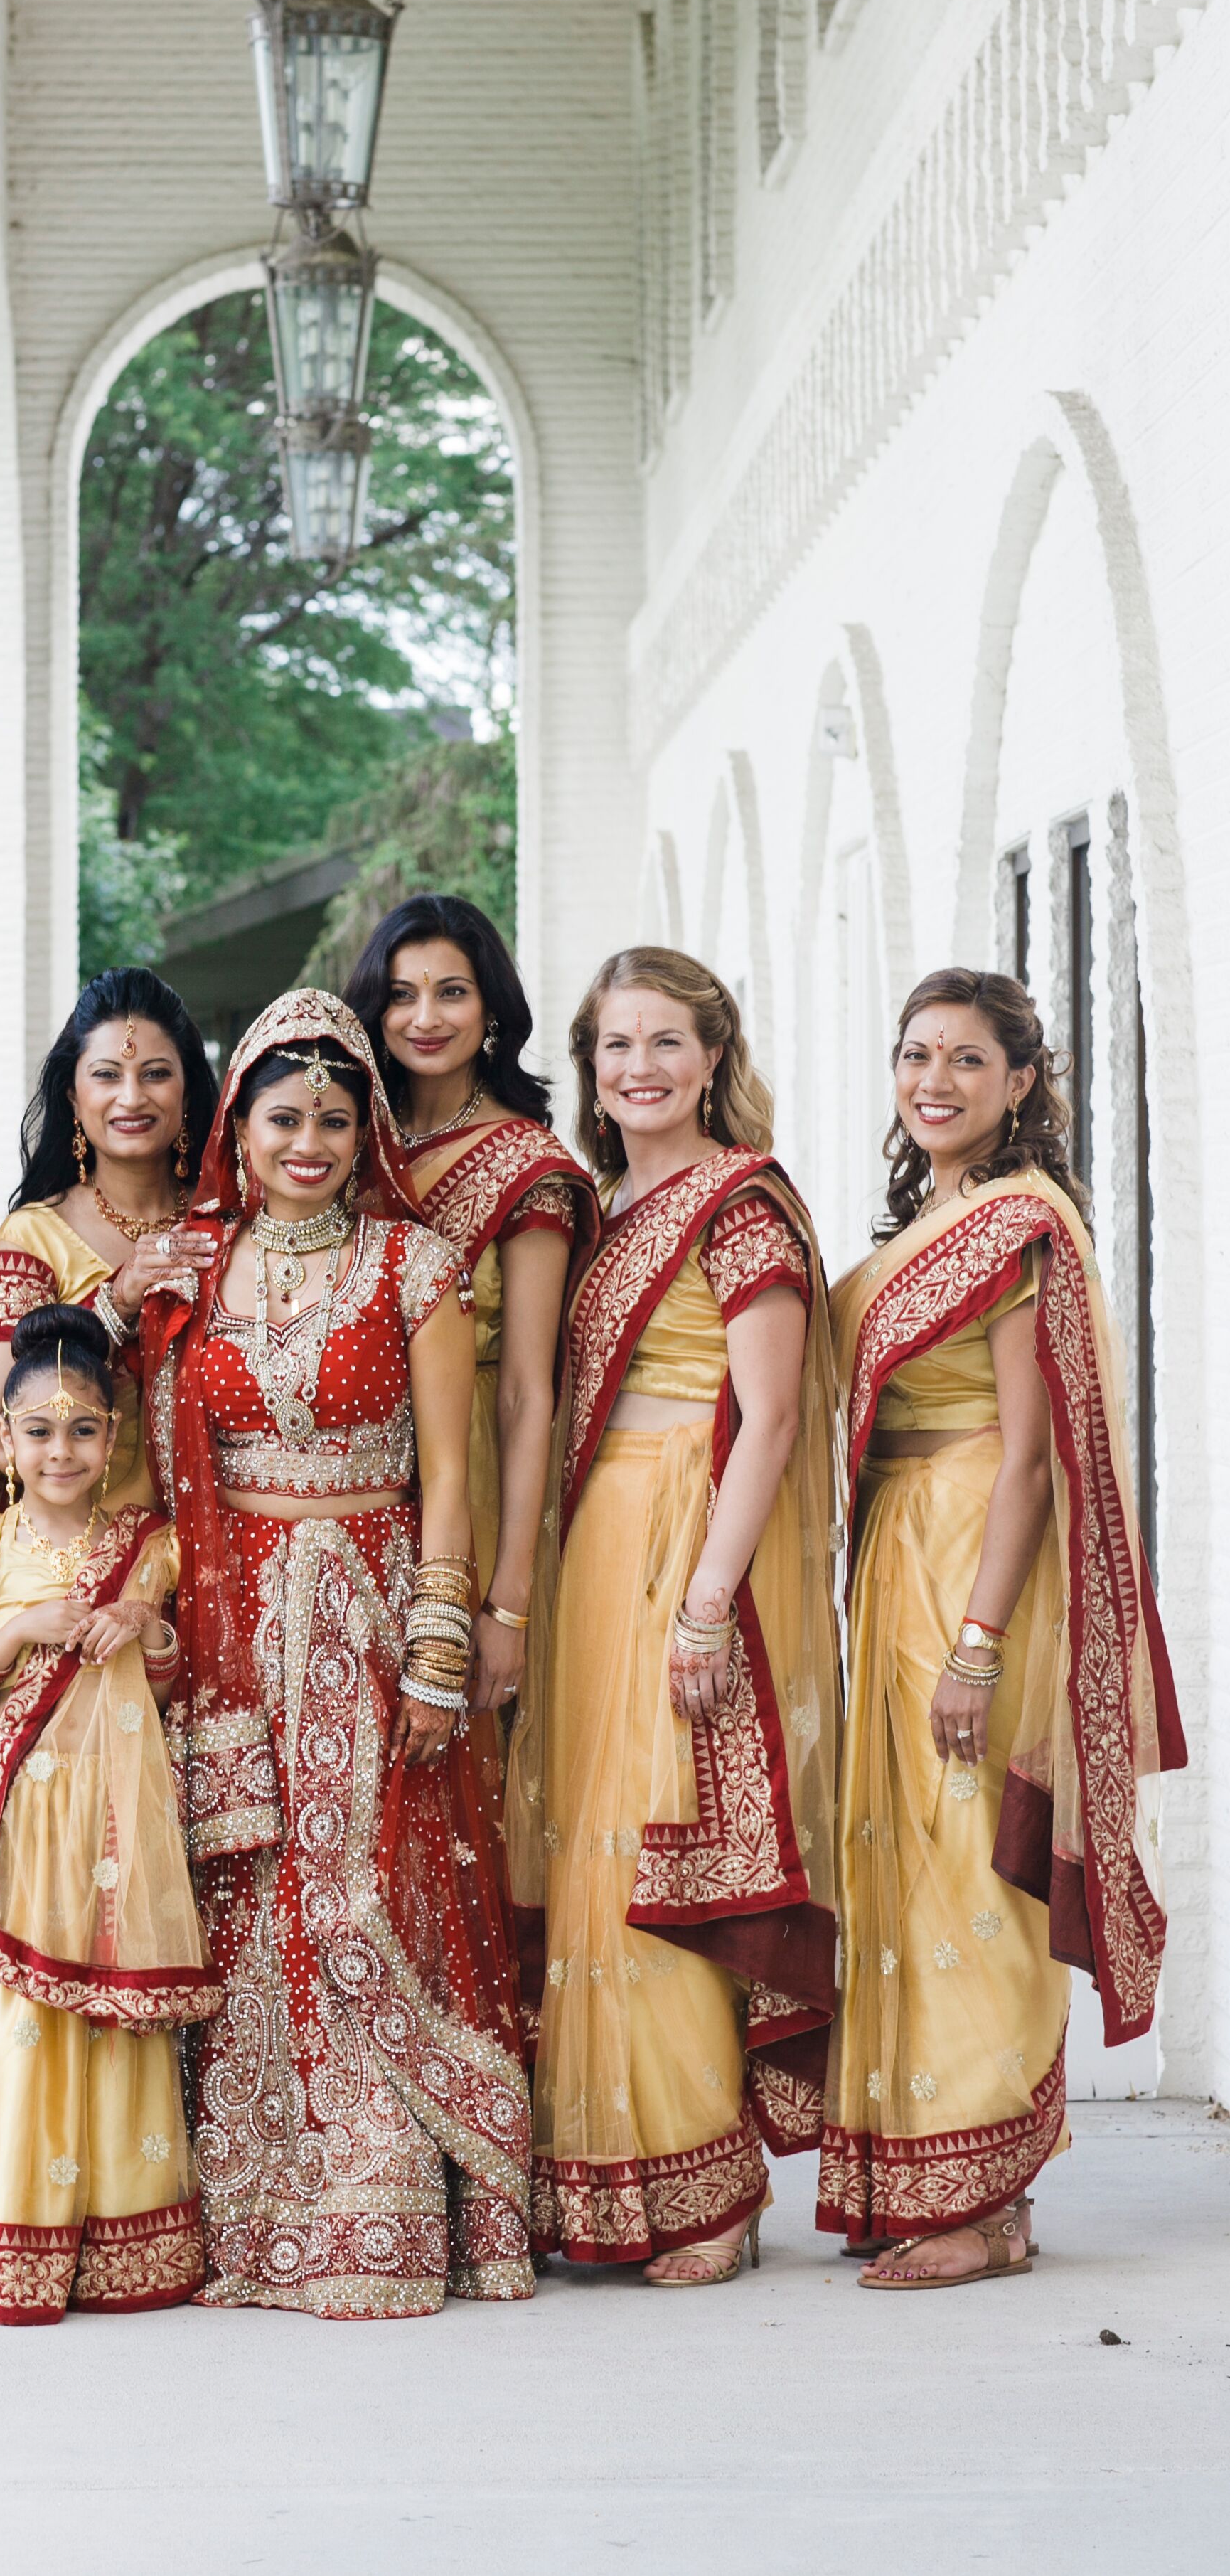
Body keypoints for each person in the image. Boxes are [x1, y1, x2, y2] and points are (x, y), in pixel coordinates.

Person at [143, 988, 533, 2318]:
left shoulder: (413, 1267)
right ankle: (252, 2200)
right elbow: (115, 1433)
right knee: (244, 1894)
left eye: (330, 1117)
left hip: (365, 1612)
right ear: (236, 1131)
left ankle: (384, 2198)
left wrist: (439, 1647)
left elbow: (450, 1476)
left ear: (364, 1128)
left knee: (368, 1886)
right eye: (280, 1118)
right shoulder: (191, 1266)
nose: (305, 1142)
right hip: (227, 1623)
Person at [820, 969, 1184, 2289]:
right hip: (895, 1554)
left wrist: (978, 1642)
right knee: (898, 1855)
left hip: (971, 1557)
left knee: (965, 1860)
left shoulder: (1022, 1225)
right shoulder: (933, 1216)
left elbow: (1032, 1462)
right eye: (914, 1055)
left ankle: (976, 2194)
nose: (933, 1081)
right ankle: (939, 2172)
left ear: (1020, 1082)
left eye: (966, 1061)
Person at [508, 947, 840, 2284]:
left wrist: (707, 1601)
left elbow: (767, 1419)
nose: (635, 1068)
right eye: (612, 1047)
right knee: (590, 1855)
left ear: (712, 1057)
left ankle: (703, 2189)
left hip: (685, 1541)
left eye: (663, 1043)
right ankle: (604, 2185)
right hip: (596, 1548)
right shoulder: (602, 1206)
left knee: (665, 1853)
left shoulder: (736, 1206)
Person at [0, 1303, 216, 2323]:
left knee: (104, 2015)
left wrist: (146, 1630)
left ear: (112, 1438)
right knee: (20, 2024)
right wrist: (16, 1632)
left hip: (114, 1823)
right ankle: (10, 2232)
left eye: (82, 1429)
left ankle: (111, 2237)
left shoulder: (148, 1546)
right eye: (38, 1430)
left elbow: (170, 1686)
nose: (60, 1449)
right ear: (2, 1437)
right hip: (10, 1817)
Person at [344, 895, 597, 1734]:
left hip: (483, 1480)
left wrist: (509, 1603)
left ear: (491, 1008)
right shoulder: (339, 1144)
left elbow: (530, 1392)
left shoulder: (527, 1166)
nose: (424, 1017)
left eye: (451, 992)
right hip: (354, 1480)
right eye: (402, 994)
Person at [0, 967, 220, 1508]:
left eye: (156, 1073)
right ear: (73, 1094)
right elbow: (5, 1435)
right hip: (88, 1562)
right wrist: (118, 1304)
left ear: (187, 1089)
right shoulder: (32, 1239)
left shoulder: (226, 1221)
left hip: (230, 1541)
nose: (131, 1098)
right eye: (108, 1075)